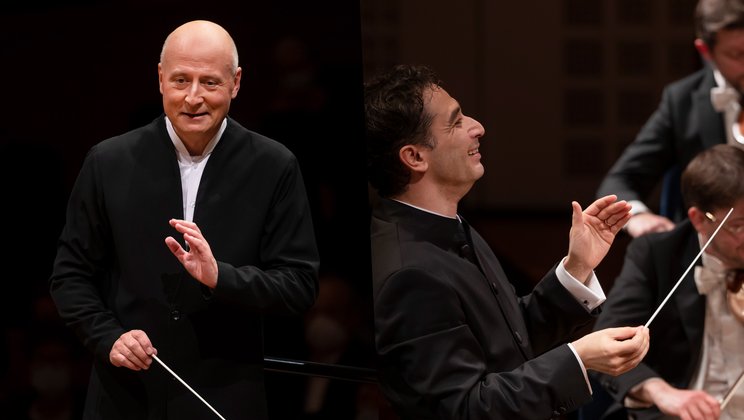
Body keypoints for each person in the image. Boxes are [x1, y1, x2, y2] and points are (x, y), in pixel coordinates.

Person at [48, 20, 319, 420]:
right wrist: (108, 336)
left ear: (236, 83)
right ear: (160, 79)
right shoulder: (107, 162)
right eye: (180, 81)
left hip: (226, 396)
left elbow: (299, 285)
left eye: (209, 82)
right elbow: (69, 277)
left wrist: (220, 277)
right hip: (125, 397)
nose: (193, 98)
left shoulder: (274, 165)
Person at [366, 64, 650, 420]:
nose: (477, 127)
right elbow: (463, 409)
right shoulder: (408, 273)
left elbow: (510, 340)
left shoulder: (447, 224)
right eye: (456, 122)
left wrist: (577, 266)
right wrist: (579, 358)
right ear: (415, 157)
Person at [590, 144, 744, 420]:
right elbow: (608, 345)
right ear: (699, 219)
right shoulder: (657, 255)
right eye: (740, 226)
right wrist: (662, 392)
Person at [596, 0, 744, 238]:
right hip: (707, 255)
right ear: (706, 51)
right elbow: (620, 181)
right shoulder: (681, 101)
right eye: (737, 55)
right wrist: (639, 217)